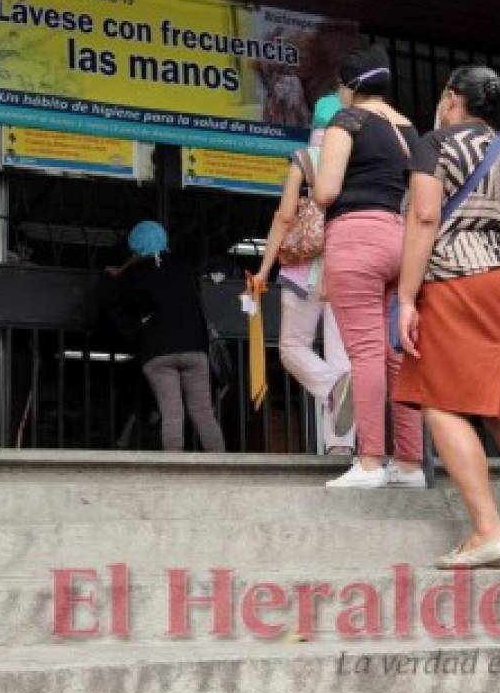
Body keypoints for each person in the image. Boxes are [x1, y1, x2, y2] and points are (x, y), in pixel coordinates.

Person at [395, 65, 500, 569]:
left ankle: (488, 530)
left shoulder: (435, 143)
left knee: (439, 400)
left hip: (454, 277)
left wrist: (404, 297)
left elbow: (423, 217)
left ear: (451, 98)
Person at [313, 44, 425, 489]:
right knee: (396, 354)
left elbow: (325, 192)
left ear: (351, 86)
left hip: (356, 238)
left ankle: (371, 462)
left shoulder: (348, 121)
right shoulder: (408, 129)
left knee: (364, 353)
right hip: (402, 239)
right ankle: (411, 464)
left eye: (341, 86)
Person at [252, 93, 355, 455]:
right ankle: (342, 446)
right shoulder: (359, 161)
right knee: (343, 355)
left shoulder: (305, 158)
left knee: (292, 348)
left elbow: (284, 217)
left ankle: (330, 388)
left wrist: (264, 269)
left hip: (304, 271)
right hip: (348, 270)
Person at [108, 221, 226, 452]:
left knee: (172, 412)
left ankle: (175, 471)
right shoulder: (184, 267)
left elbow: (118, 305)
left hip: (157, 350)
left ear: (135, 247)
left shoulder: (133, 274)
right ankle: (222, 466)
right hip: (193, 347)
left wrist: (137, 327)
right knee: (203, 412)